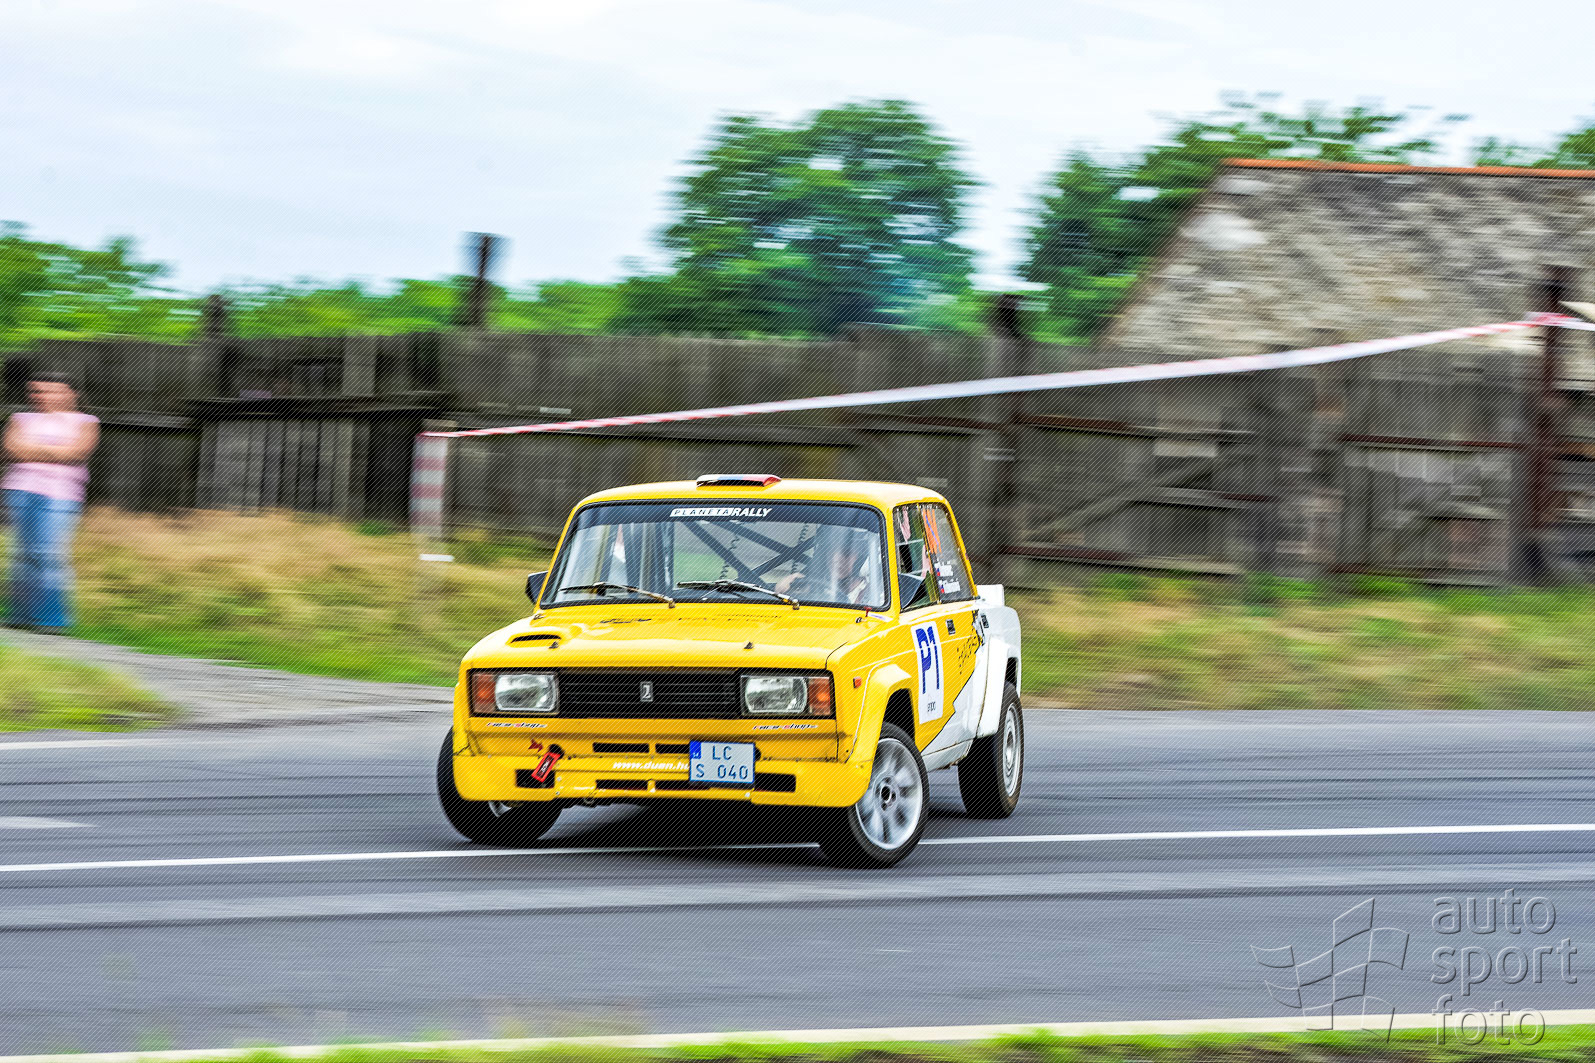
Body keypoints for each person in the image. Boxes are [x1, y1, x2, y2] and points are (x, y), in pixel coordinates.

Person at [3, 373, 99, 633]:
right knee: (23, 554)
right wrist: (57, 450)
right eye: (36, 391)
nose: (41, 396)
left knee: (49, 554)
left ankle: (51, 618)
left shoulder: (86, 421)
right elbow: (11, 450)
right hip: (20, 490)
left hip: (61, 494)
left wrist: (32, 450)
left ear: (71, 393)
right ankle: (20, 615)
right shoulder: (20, 418)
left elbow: (78, 452)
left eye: (50, 391)